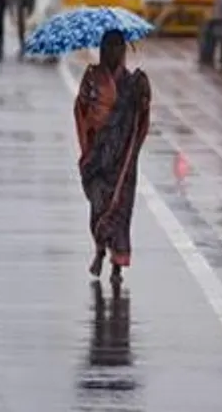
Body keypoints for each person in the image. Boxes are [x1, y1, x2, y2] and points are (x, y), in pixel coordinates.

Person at [74, 30, 152, 283]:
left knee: (120, 209)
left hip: (123, 159)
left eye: (118, 46)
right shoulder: (91, 78)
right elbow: (80, 110)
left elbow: (141, 118)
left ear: (123, 50)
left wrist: (143, 97)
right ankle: (99, 249)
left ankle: (116, 265)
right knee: (98, 207)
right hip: (98, 155)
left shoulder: (132, 82)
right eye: (107, 46)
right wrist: (88, 147)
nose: (112, 51)